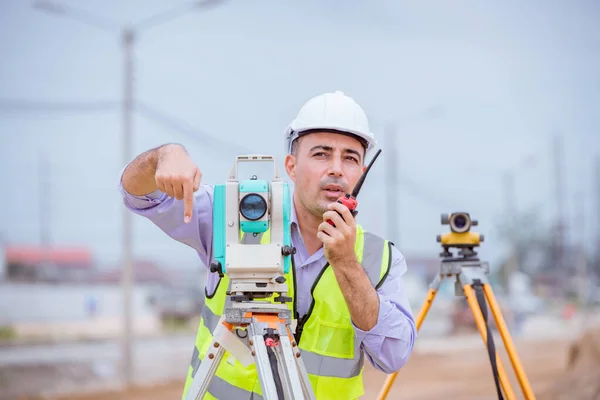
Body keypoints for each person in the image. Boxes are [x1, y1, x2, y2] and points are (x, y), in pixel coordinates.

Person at [118, 90, 417, 399]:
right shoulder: (236, 215)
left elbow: (393, 356)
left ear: (361, 174)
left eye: (350, 158)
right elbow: (137, 195)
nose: (336, 169)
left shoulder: (376, 259)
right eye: (321, 154)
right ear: (291, 166)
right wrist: (162, 157)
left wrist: (346, 265)